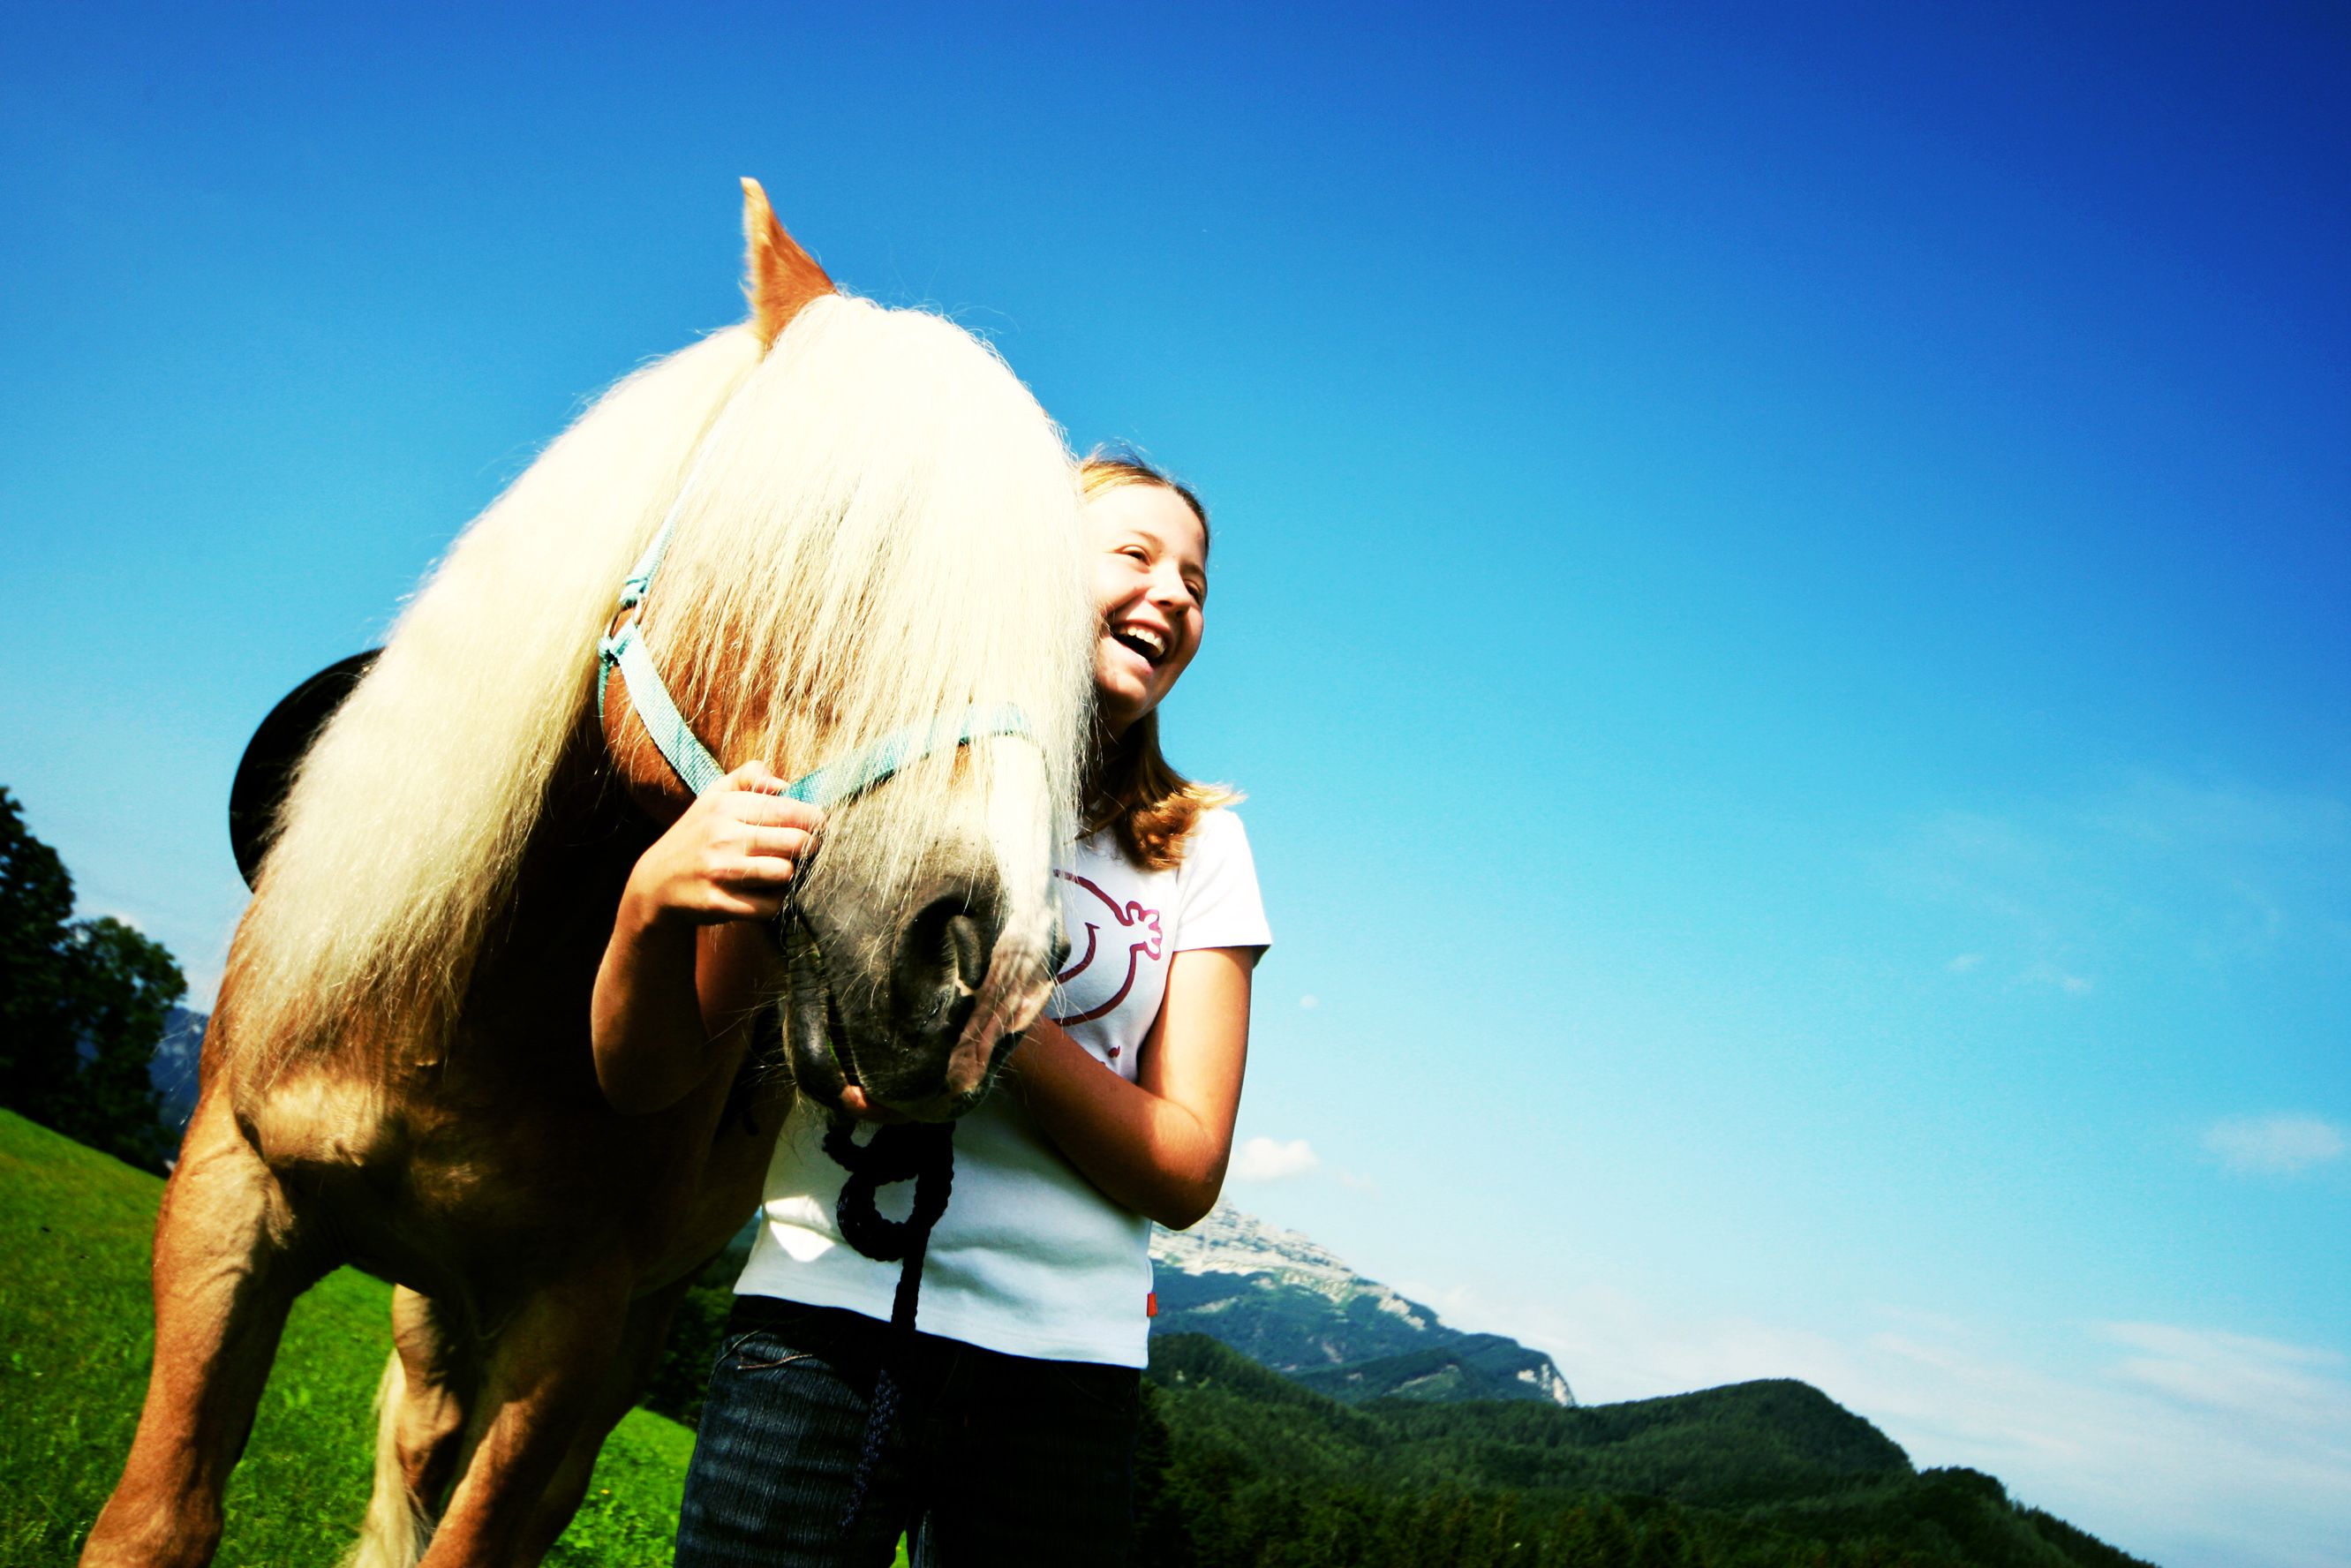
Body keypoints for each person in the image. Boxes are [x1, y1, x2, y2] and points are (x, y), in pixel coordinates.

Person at [594, 452, 1269, 1566]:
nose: (1172, 597)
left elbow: (1187, 1169)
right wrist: (645, 908)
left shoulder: (1201, 847)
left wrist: (1003, 1022)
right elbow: (652, 1076)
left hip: (1066, 1378)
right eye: (1136, 557)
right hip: (818, 1335)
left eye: (1196, 584)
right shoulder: (862, 769)